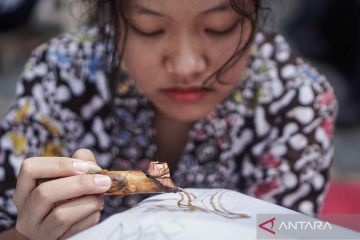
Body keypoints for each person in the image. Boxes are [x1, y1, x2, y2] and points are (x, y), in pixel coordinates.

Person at [0, 0, 337, 239]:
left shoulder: (296, 97)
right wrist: (31, 234)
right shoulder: (60, 73)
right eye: (151, 28)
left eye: (218, 27)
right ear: (112, 21)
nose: (185, 66)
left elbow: (287, 230)